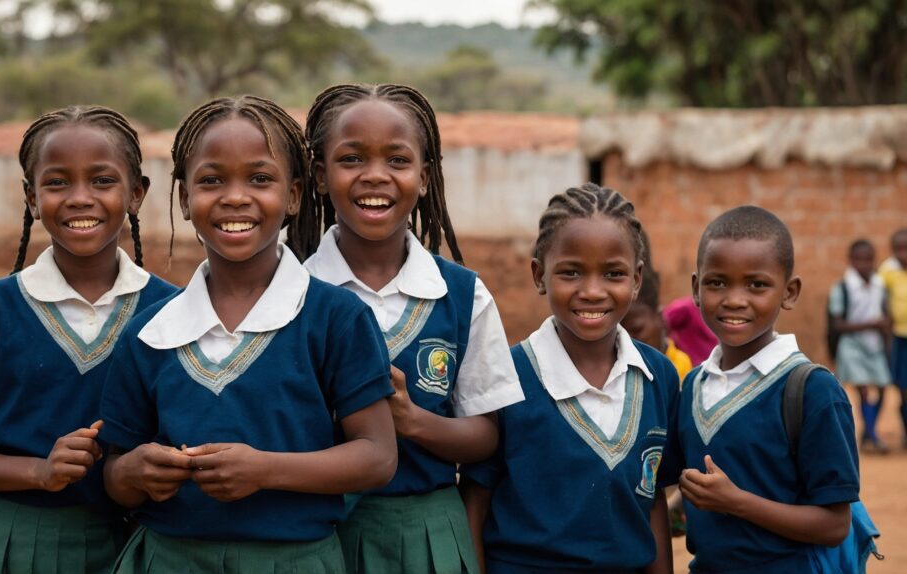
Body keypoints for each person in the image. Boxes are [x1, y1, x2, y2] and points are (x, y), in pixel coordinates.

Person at [99, 95, 398, 573]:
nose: (235, 197)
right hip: (170, 559)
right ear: (183, 199)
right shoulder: (149, 331)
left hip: (296, 561)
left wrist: (265, 470)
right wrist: (133, 471)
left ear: (295, 195)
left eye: (260, 178)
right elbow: (115, 472)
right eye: (212, 180)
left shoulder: (337, 318)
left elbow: (377, 457)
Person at [0, 105, 177, 573]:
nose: (80, 197)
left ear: (137, 193)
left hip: (135, 541)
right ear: (31, 198)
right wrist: (38, 472)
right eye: (57, 182)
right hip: (18, 542)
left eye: (102, 181)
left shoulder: (173, 312)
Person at [292, 83, 524, 574]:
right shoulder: (290, 294)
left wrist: (410, 420)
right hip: (315, 535)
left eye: (397, 160)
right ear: (318, 175)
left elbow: (487, 436)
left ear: (424, 176)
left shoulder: (462, 295)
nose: (374, 176)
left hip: (428, 535)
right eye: (351, 159)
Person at [460, 183, 679, 573]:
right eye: (571, 272)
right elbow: (475, 501)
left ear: (637, 278)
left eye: (613, 273)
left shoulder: (659, 376)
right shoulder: (508, 376)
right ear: (539, 274)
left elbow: (653, 497)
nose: (592, 291)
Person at [677, 206, 859, 573]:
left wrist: (736, 502)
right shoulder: (694, 385)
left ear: (789, 293)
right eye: (717, 283)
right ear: (696, 289)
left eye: (757, 284)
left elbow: (835, 524)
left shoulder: (812, 391)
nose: (734, 299)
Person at [829, 239, 891, 452]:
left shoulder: (879, 285)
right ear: (851, 261)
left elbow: (885, 315)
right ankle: (873, 436)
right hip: (852, 345)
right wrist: (872, 324)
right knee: (863, 388)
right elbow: (837, 324)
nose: (864, 264)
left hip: (874, 346)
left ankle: (868, 431)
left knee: (882, 387)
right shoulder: (843, 288)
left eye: (868, 259)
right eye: (859, 260)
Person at [622, 268, 693, 382]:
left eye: (636, 330)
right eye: (616, 333)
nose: (626, 341)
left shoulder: (680, 370)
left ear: (660, 318)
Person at [878, 228, 907, 446]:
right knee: (902, 386)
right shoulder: (887, 271)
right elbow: (880, 300)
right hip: (899, 337)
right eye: (898, 249)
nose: (903, 254)